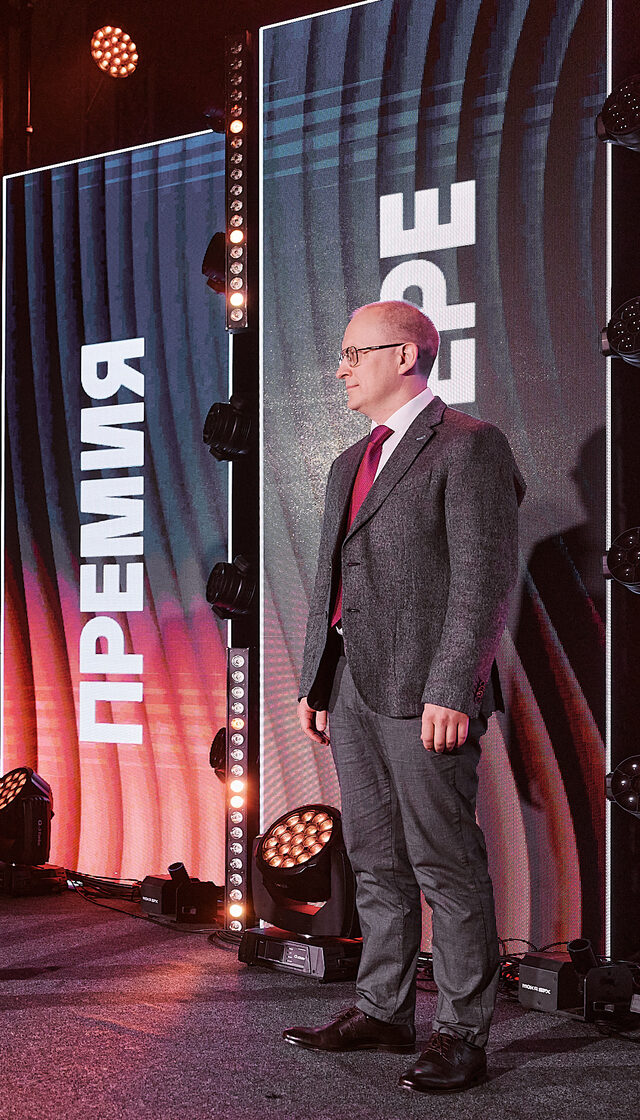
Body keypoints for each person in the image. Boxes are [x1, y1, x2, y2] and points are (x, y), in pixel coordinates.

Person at [284, 301, 523, 1093]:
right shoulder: (348, 460)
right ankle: (383, 1012)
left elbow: (483, 579)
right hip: (353, 687)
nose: (341, 369)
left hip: (426, 693)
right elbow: (334, 579)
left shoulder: (470, 445)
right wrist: (318, 680)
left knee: (445, 862)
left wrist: (454, 686)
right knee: (375, 859)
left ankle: (462, 1033)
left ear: (407, 355)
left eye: (354, 354)